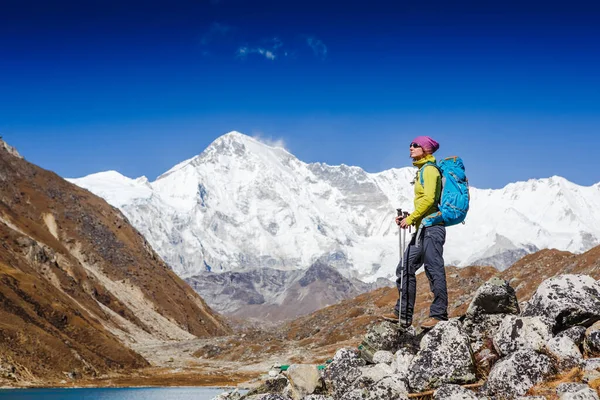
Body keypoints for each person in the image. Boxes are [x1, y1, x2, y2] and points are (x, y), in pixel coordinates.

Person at [382, 135, 447, 329]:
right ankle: (402, 314)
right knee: (405, 267)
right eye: (410, 144)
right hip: (422, 227)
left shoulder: (429, 171)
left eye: (415, 145)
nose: (410, 147)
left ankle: (439, 315)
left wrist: (411, 219)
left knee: (434, 269)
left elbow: (429, 200)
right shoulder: (422, 171)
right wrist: (410, 217)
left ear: (425, 149)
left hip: (433, 227)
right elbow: (426, 203)